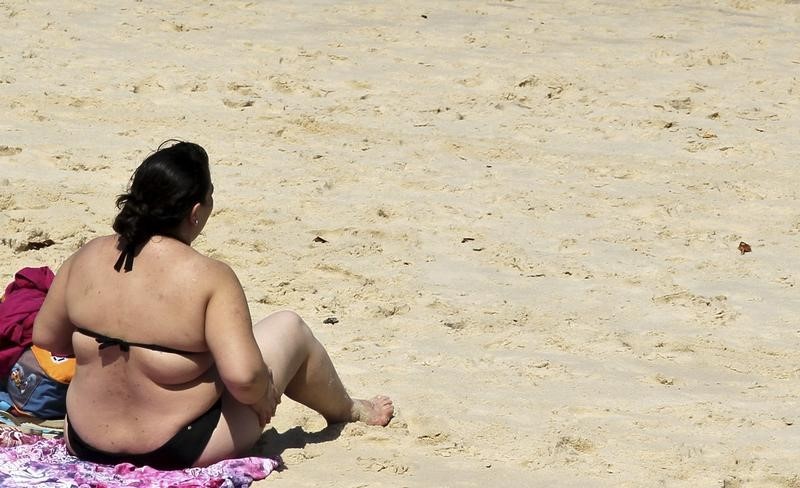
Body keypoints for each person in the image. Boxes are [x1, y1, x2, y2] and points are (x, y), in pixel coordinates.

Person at [32, 141, 393, 470]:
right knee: (289, 328)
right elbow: (244, 380)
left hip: (86, 441)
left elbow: (47, 336)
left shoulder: (87, 257)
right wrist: (262, 390)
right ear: (194, 211)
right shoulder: (207, 276)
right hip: (179, 446)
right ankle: (349, 409)